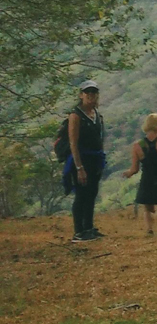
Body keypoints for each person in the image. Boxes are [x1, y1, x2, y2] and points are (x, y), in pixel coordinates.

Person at [62, 80, 108, 243]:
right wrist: (79, 167)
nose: (91, 95)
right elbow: (73, 142)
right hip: (81, 159)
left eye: (93, 92)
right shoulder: (75, 115)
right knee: (82, 194)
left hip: (95, 159)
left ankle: (89, 227)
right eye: (87, 92)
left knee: (91, 193)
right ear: (81, 95)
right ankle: (78, 231)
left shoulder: (96, 114)